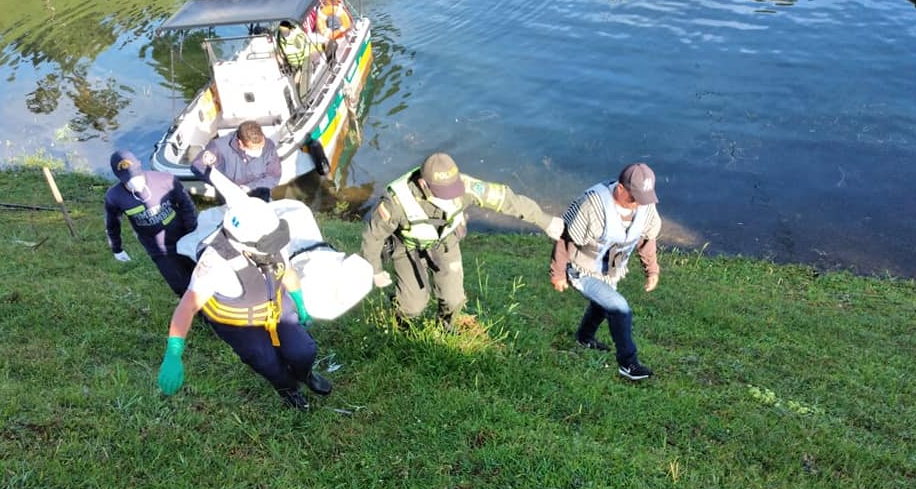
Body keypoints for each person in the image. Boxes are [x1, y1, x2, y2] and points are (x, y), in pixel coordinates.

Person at [156, 196, 331, 411]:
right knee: (268, 363)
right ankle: (288, 390)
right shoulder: (215, 264)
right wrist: (174, 352)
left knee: (303, 350)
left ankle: (306, 374)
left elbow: (286, 272)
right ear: (242, 244)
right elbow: (188, 306)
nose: (275, 247)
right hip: (239, 322)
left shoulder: (270, 238)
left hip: (274, 306)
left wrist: (300, 304)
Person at [361, 152, 564, 328]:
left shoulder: (465, 186)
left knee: (454, 299)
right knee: (413, 306)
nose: (451, 198)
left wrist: (546, 221)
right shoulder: (396, 202)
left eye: (453, 191)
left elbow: (507, 200)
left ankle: (445, 327)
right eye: (443, 194)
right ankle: (402, 323)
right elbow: (373, 235)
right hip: (408, 247)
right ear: (423, 185)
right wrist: (375, 270)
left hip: (445, 242)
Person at [549, 163, 662, 381]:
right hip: (582, 269)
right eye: (634, 197)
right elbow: (565, 237)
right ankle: (628, 364)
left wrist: (652, 271)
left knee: (603, 304)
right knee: (619, 308)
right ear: (620, 188)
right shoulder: (591, 204)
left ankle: (583, 337)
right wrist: (558, 273)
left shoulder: (645, 205)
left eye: (644, 198)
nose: (638, 204)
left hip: (612, 271)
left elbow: (647, 238)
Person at [104, 149, 198, 296]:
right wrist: (117, 248)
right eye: (128, 180)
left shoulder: (165, 179)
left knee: (201, 274)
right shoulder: (114, 197)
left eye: (135, 175)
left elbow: (186, 205)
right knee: (180, 283)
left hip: (184, 236)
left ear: (140, 166)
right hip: (158, 249)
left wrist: (193, 232)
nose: (133, 182)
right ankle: (197, 313)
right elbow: (113, 225)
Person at [191, 121, 281, 203]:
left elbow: (274, 177)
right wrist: (221, 184)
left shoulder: (269, 146)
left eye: (261, 146)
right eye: (254, 149)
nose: (260, 151)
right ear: (240, 144)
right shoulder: (220, 147)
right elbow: (197, 166)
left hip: (261, 199)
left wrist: (250, 187)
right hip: (231, 201)